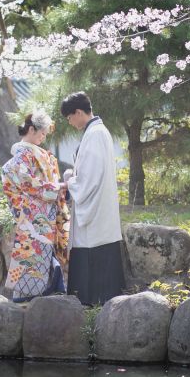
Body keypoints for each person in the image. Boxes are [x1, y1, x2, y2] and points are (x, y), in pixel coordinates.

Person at [61, 91, 125, 304]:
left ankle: (91, 303)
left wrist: (70, 180)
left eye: (70, 117)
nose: (70, 123)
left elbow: (89, 177)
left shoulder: (96, 133)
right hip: (98, 206)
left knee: (93, 253)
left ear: (79, 112)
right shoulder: (97, 131)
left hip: (95, 209)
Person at [1, 111, 70, 302]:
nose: (43, 137)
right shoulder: (23, 153)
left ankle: (49, 292)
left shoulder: (35, 152)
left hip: (45, 210)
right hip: (33, 214)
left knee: (46, 252)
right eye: (42, 133)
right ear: (31, 129)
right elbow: (27, 183)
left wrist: (57, 187)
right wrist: (58, 187)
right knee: (31, 252)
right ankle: (25, 297)